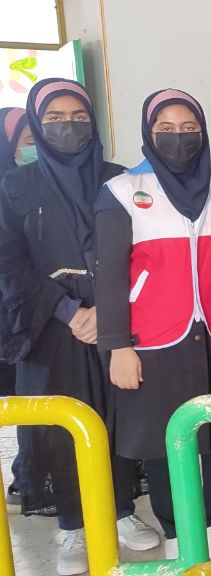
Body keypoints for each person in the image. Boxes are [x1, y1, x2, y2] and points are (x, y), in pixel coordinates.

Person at [0, 78, 161, 576]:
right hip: (50, 327)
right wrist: (69, 311)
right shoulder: (15, 186)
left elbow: (142, 250)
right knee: (60, 425)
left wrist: (107, 314)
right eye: (53, 118)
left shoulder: (118, 180)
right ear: (36, 123)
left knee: (118, 413)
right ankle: (73, 523)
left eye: (78, 117)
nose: (67, 126)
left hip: (115, 321)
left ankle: (120, 510)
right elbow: (9, 262)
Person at [96, 88, 211, 561]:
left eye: (189, 128)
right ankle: (175, 525)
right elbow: (110, 275)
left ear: (203, 132)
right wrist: (118, 346)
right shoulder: (123, 191)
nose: (178, 137)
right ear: (148, 133)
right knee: (163, 438)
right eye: (165, 129)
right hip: (152, 338)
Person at [0, 106, 34, 511]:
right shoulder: (7, 193)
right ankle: (28, 480)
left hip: (32, 312)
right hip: (9, 319)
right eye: (27, 142)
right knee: (25, 402)